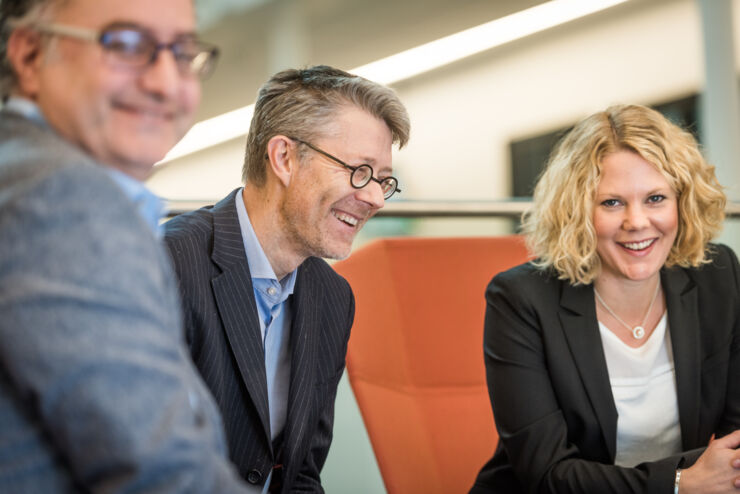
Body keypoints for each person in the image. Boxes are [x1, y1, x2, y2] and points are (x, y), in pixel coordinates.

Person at [0, 0, 254, 491]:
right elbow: (164, 475)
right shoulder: (63, 201)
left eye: (181, 52)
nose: (164, 83)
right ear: (30, 55)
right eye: (126, 45)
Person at [163, 65, 410, 492]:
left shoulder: (331, 297)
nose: (374, 197)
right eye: (361, 171)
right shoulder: (166, 264)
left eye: (384, 181)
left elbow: (300, 475)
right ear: (284, 158)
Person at [470, 104, 740, 494]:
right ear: (578, 211)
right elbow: (546, 473)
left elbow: (734, 439)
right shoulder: (521, 299)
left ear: (683, 201)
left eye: (655, 198)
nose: (637, 222)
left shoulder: (717, 276)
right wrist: (678, 484)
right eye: (611, 202)